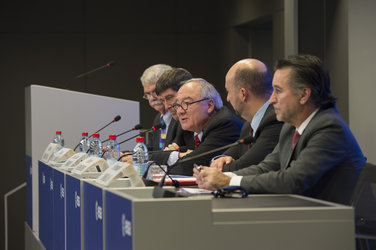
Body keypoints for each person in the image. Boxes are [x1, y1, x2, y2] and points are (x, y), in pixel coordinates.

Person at [194, 54, 365, 205]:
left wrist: (227, 181)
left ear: (304, 95)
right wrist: (225, 178)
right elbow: (267, 167)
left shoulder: (329, 128)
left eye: (278, 91)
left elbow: (292, 180)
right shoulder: (291, 127)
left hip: (335, 225)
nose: (272, 100)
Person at [211, 59, 283, 172]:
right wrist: (219, 161)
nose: (228, 98)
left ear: (243, 93)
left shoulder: (275, 120)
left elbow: (246, 166)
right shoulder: (248, 126)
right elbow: (222, 158)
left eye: (228, 91)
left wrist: (219, 167)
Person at [165, 78, 243, 176]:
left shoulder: (225, 124)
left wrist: (176, 155)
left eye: (187, 103)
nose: (179, 111)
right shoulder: (191, 126)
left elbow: (188, 166)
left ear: (209, 105)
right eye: (177, 105)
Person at [139, 64, 175, 150]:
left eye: (155, 92)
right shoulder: (159, 119)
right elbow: (152, 149)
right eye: (148, 94)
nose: (152, 98)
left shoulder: (181, 117)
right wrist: (129, 155)